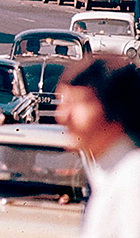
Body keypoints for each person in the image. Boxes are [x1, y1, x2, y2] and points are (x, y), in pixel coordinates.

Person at [56, 56, 140, 238]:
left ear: (115, 108)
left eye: (77, 103)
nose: (63, 117)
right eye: (63, 104)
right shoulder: (106, 174)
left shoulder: (133, 181)